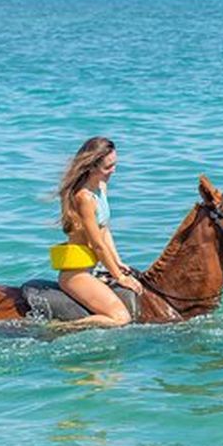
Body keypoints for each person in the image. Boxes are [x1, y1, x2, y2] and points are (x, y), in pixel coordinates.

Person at [52, 136, 143, 328]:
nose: (113, 171)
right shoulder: (84, 198)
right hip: (77, 274)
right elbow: (96, 244)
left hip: (95, 267)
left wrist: (118, 263)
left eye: (114, 164)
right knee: (121, 318)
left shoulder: (101, 188)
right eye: (108, 167)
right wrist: (120, 278)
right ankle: (59, 329)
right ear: (92, 167)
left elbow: (104, 230)